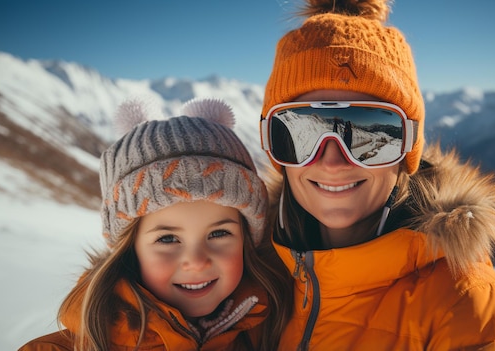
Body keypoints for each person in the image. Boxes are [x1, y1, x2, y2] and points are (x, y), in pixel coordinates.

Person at [258, 0, 495, 349]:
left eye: (367, 134)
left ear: (407, 147)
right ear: (274, 148)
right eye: (300, 131)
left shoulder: (468, 312)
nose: (333, 161)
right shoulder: (251, 281)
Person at [19, 98, 291, 351]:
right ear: (130, 247)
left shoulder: (273, 330)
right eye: (168, 239)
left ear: (247, 238)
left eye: (219, 233)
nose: (196, 262)